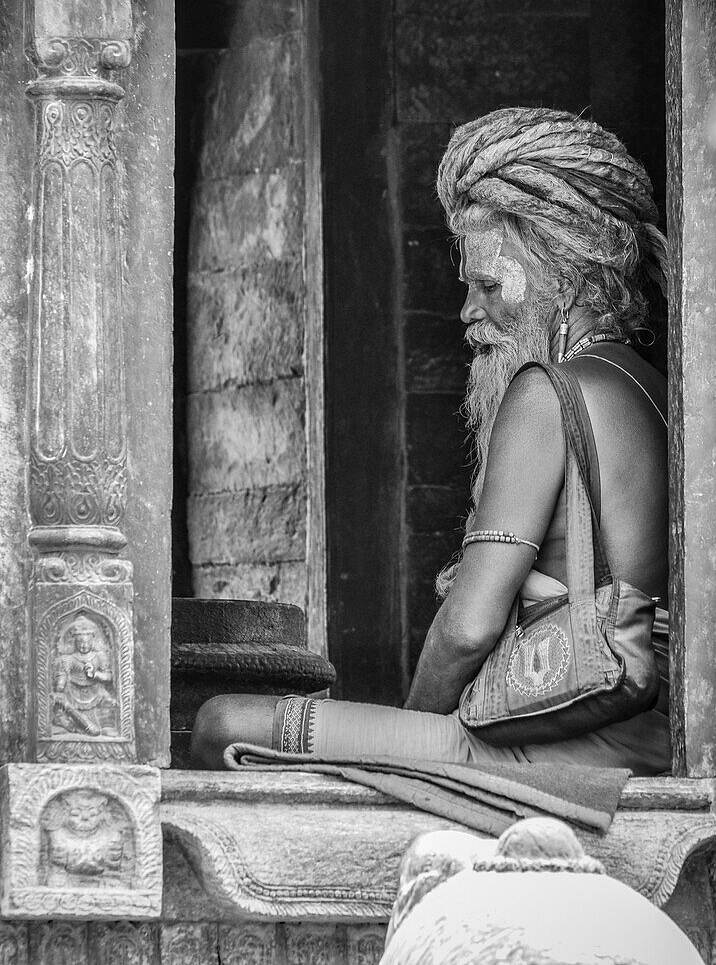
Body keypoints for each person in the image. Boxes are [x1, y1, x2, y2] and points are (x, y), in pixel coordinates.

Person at [191, 107, 671, 774]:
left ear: (568, 271)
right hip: (639, 733)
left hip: (562, 747)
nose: (469, 313)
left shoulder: (547, 390)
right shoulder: (654, 391)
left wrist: (406, 745)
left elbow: (467, 628)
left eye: (487, 286)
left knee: (221, 722)